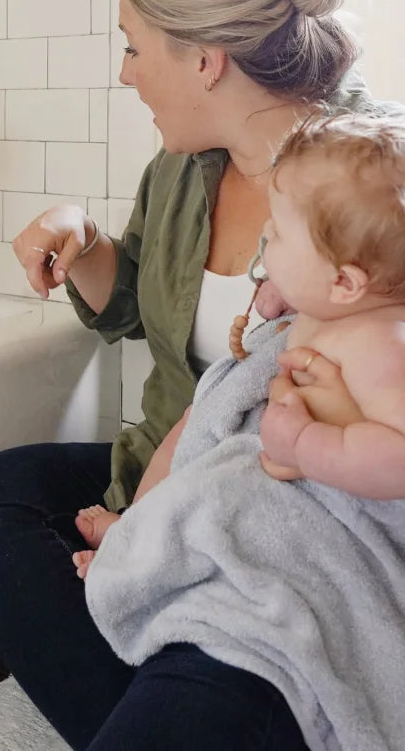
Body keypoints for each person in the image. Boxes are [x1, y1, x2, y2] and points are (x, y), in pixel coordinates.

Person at [0, 0, 398, 751]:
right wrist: (81, 239)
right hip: (170, 465)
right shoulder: (182, 168)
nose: (125, 74)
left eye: (131, 45)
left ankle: (193, 686)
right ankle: (171, 697)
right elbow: (129, 310)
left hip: (287, 512)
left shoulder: (371, 173)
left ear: (203, 59)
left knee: (235, 642)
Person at [73, 111, 405, 579]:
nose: (265, 235)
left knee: (219, 498)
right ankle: (136, 530)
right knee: (196, 421)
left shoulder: (381, 346)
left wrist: (309, 445)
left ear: (345, 282)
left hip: (304, 479)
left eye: (281, 233)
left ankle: (149, 557)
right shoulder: (335, 300)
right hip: (258, 433)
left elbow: (397, 457)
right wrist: (287, 287)